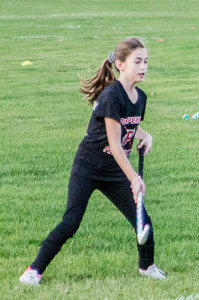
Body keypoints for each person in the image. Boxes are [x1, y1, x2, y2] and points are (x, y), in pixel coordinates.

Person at [19, 38, 164, 285]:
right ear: (120, 64)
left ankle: (147, 267)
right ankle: (33, 270)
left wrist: (145, 134)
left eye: (146, 61)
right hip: (88, 167)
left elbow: (129, 124)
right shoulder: (111, 95)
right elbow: (115, 142)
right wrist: (134, 178)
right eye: (137, 61)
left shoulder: (140, 97)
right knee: (71, 222)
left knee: (142, 220)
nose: (143, 67)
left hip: (114, 170)